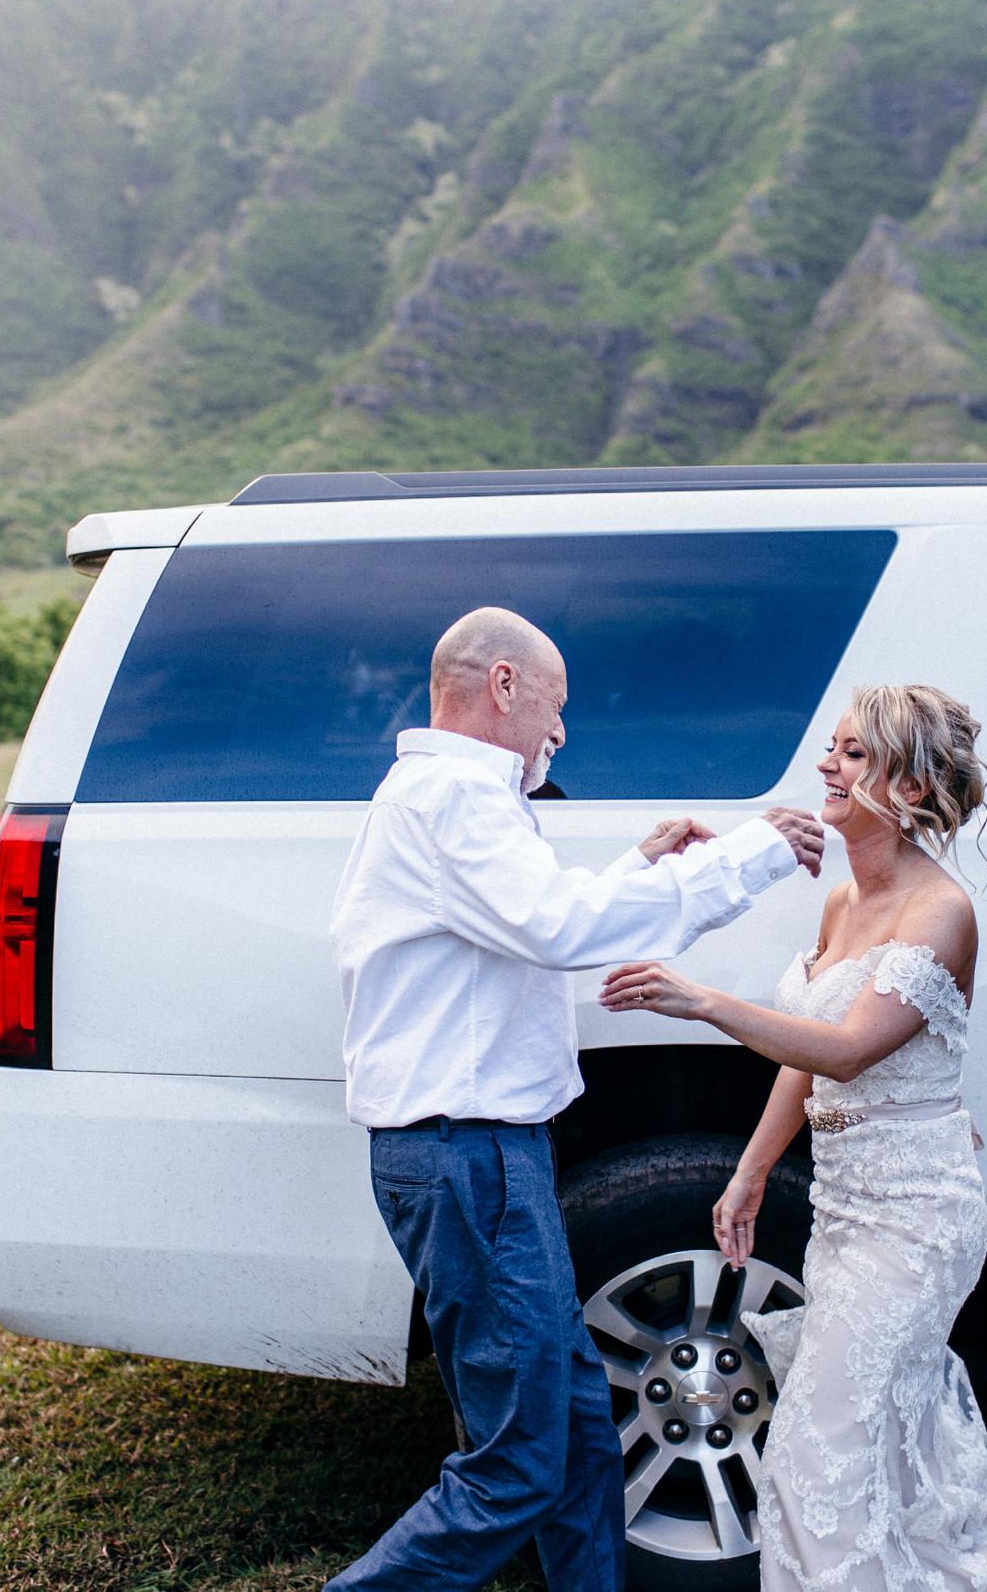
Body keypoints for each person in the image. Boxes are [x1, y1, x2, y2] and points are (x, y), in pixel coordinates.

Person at [327, 606, 826, 1592]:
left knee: (581, 1441)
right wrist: (754, 853)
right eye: (555, 706)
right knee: (517, 1465)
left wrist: (645, 868)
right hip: (468, 1159)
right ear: (503, 684)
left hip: (479, 1157)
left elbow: (516, 922)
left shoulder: (450, 796)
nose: (561, 731)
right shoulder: (455, 795)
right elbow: (556, 926)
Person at [600, 683, 987, 1592]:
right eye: (832, 748)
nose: (827, 765)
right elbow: (805, 1049)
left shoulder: (939, 913)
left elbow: (844, 1046)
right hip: (843, 1205)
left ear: (910, 788)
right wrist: (752, 1172)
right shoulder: (840, 902)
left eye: (854, 753)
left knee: (814, 1450)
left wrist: (702, 1000)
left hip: (917, 1222)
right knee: (881, 1440)